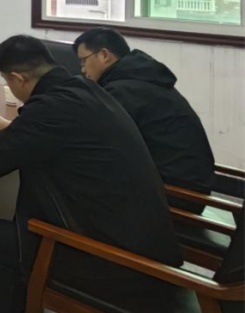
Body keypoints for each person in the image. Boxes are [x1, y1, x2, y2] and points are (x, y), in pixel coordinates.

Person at [0, 36, 182, 313]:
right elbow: (52, 133)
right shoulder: (82, 90)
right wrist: (13, 128)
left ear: (18, 78)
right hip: (142, 242)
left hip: (116, 263)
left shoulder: (51, 108)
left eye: (8, 81)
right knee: (23, 222)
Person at [73, 27, 215, 197]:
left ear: (104, 55)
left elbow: (99, 142)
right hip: (188, 183)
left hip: (174, 192)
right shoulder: (140, 79)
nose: (82, 70)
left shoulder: (123, 91)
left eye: (83, 61)